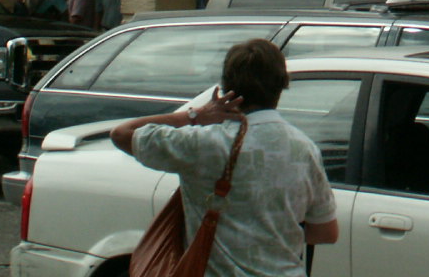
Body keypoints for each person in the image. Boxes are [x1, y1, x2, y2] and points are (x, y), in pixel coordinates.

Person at [111, 38, 338, 277]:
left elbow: (121, 134)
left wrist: (195, 116)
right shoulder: (304, 149)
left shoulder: (201, 144)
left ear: (226, 87)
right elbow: (326, 232)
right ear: (282, 85)